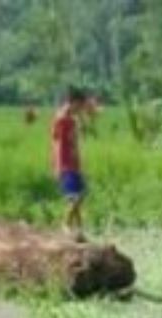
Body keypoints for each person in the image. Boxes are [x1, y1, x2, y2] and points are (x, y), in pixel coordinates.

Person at [51, 87, 100, 239]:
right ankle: (65, 225)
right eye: (79, 105)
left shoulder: (72, 119)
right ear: (72, 102)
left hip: (74, 163)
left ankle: (79, 230)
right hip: (65, 163)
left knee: (80, 195)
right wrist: (59, 166)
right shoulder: (61, 119)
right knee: (76, 196)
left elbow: (77, 140)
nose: (80, 109)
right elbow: (57, 143)